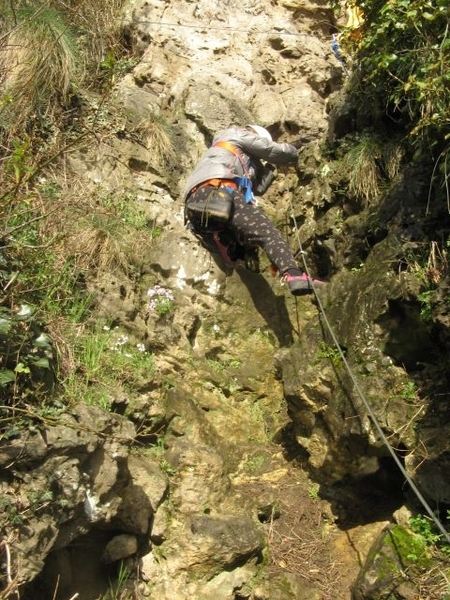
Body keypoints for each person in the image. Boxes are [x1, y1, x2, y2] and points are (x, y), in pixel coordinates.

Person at [184, 124, 325, 296]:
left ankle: (232, 252)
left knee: (242, 244)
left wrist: (271, 167)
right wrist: (295, 147)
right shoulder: (234, 133)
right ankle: (294, 275)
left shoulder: (238, 159)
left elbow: (258, 187)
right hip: (217, 192)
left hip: (197, 205)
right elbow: (272, 150)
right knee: (266, 231)